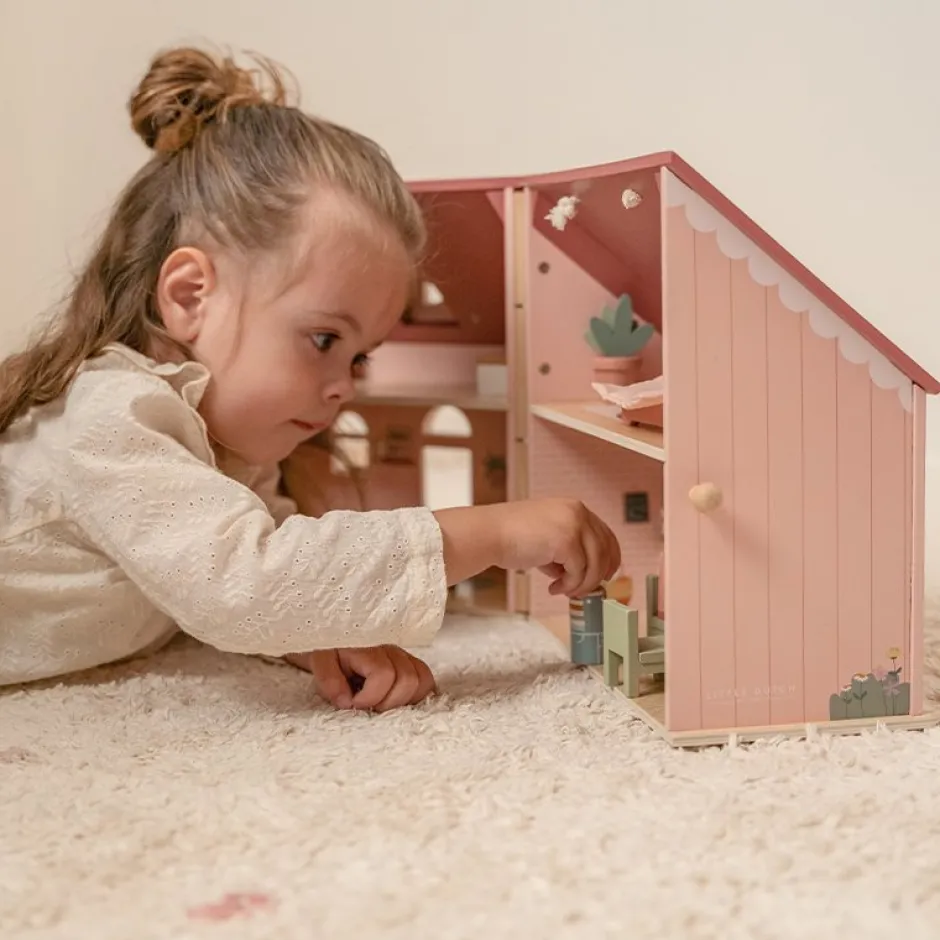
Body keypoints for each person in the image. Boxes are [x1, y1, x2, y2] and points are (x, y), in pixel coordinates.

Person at [0, 45, 621, 711]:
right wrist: (494, 532)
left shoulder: (225, 446)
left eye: (359, 356)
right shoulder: (112, 414)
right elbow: (244, 580)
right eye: (324, 339)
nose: (344, 385)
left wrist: (311, 634)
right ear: (189, 297)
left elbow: (229, 585)